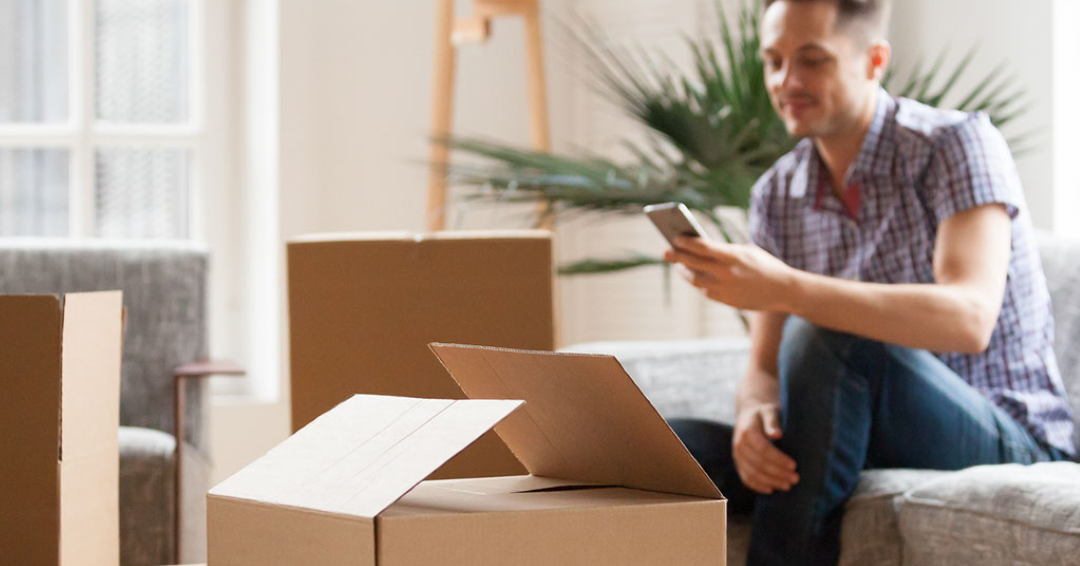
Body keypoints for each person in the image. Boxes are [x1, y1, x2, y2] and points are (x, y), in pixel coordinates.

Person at [661, 0, 1076, 564]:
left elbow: (969, 317)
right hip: (845, 430)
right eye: (774, 61)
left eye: (812, 60)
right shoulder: (778, 195)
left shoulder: (954, 146)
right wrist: (755, 416)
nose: (787, 81)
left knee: (828, 336)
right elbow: (762, 366)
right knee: (652, 447)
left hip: (1002, 434)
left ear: (874, 60)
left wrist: (787, 287)